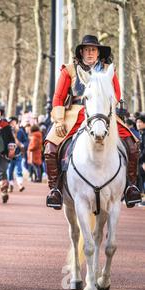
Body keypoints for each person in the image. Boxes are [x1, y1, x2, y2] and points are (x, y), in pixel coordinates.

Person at [44, 35, 141, 209]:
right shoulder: (69, 70)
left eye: (93, 50)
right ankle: (55, 190)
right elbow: (58, 97)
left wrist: (105, 105)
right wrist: (59, 120)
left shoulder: (108, 70)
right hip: (74, 113)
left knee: (132, 144)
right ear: (81, 52)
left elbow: (116, 94)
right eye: (87, 49)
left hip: (103, 113)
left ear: (98, 52)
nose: (90, 53)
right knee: (50, 147)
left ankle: (131, 187)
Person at [7, 117, 27, 192]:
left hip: (18, 154)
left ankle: (20, 184)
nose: (12, 124)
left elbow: (25, 141)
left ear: (16, 123)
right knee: (10, 170)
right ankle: (11, 185)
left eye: (13, 122)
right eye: (10, 123)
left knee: (19, 169)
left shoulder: (21, 131)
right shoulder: (8, 132)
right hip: (10, 155)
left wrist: (21, 145)